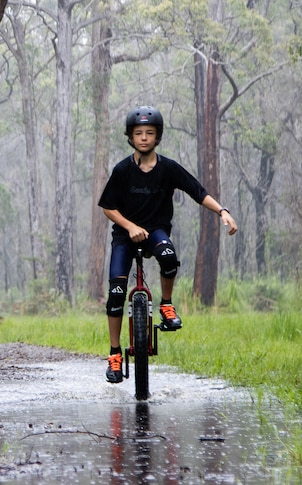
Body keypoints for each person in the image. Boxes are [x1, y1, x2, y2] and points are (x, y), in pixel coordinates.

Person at [98, 105, 238, 384]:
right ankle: (114, 353)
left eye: (150, 133)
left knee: (169, 257)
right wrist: (130, 226)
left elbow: (198, 192)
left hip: (156, 231)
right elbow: (107, 207)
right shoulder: (122, 170)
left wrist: (223, 211)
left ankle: (167, 305)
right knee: (116, 291)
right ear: (130, 137)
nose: (144, 138)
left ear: (158, 136)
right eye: (138, 133)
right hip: (125, 236)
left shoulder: (168, 168)